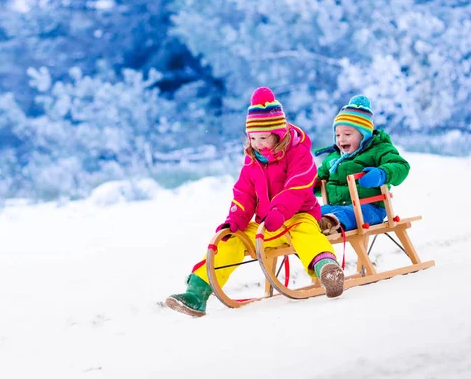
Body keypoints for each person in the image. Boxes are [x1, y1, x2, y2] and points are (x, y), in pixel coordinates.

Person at [165, 87, 344, 317]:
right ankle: (197, 293)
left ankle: (327, 270)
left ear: (278, 134)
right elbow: (244, 193)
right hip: (264, 224)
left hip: (298, 216)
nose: (257, 143)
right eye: (253, 138)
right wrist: (236, 219)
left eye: (263, 138)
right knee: (230, 241)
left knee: (307, 235)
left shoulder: (299, 154)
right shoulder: (252, 162)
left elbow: (298, 186)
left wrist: (280, 210)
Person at [314, 95, 410, 234]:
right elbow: (318, 178)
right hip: (334, 207)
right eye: (337, 135)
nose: (341, 140)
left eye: (347, 134)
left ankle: (329, 224)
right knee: (313, 213)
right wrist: (307, 187)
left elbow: (401, 166)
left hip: (370, 208)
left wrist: (382, 174)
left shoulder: (378, 149)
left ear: (363, 135)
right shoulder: (333, 158)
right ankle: (307, 225)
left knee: (348, 213)